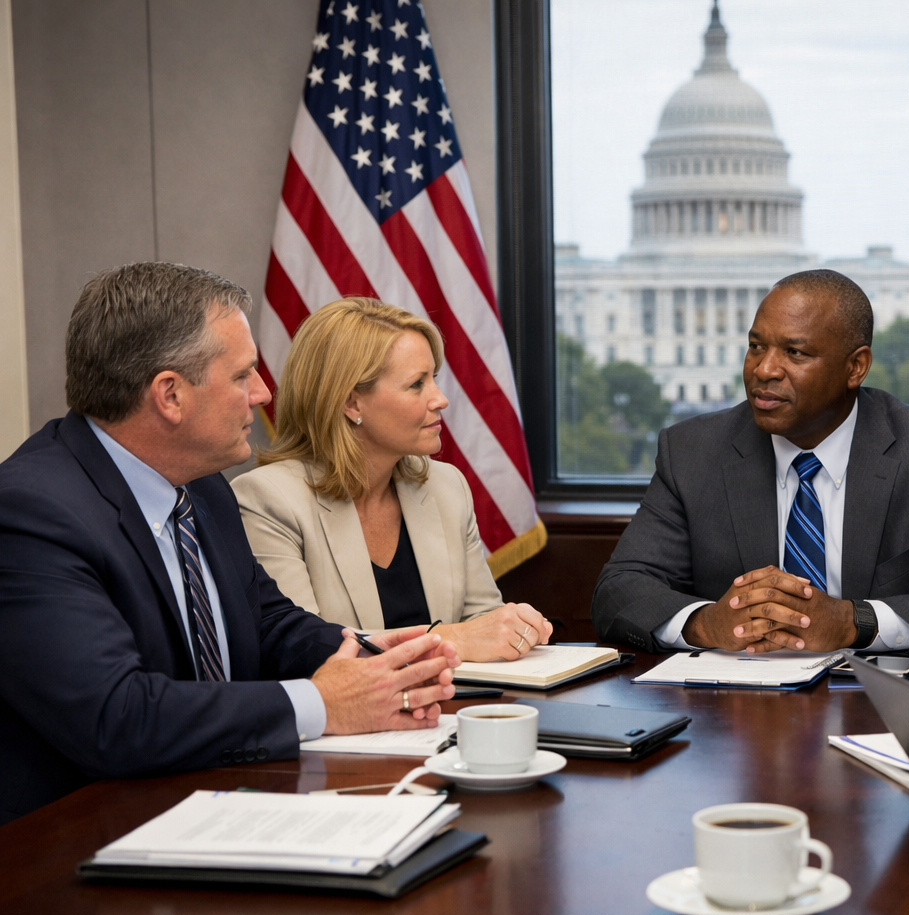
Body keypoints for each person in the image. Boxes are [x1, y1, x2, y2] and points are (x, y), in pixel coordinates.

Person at [0, 264, 459, 824]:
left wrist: (377, 659)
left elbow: (268, 623)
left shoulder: (203, 487)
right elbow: (116, 716)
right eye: (243, 375)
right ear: (170, 395)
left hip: (219, 801)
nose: (264, 393)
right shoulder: (31, 513)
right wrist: (323, 704)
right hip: (76, 841)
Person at [591, 268, 909, 657]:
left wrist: (853, 622)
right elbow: (620, 590)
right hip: (734, 715)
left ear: (856, 367)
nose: (764, 369)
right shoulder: (693, 451)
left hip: (883, 707)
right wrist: (708, 624)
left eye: (795, 353)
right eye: (756, 346)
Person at [233, 298, 552, 663]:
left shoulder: (446, 486)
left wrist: (511, 632)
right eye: (417, 384)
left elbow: (479, 621)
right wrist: (449, 639)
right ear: (352, 404)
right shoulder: (267, 499)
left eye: (434, 379)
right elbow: (301, 649)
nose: (441, 399)